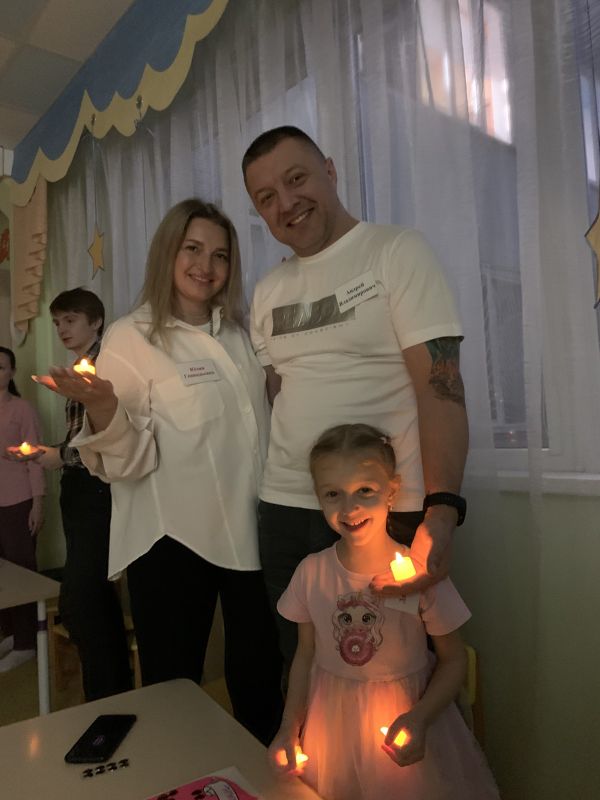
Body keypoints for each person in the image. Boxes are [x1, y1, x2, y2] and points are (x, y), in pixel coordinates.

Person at [39, 199, 283, 744]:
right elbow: (123, 462)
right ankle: (179, 774)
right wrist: (104, 408)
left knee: (260, 675)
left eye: (220, 254)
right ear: (168, 252)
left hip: (250, 527)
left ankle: (262, 773)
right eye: (192, 249)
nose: (206, 265)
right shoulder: (132, 337)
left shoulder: (238, 334)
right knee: (174, 688)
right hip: (172, 537)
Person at [243, 125, 469, 666]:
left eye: (296, 179)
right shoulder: (267, 290)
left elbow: (441, 389)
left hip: (384, 508)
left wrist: (442, 510)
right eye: (266, 197)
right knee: (302, 666)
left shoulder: (397, 251)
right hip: (286, 505)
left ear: (330, 170)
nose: (286, 203)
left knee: (397, 670)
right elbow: (279, 394)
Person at [269, 424, 499, 800]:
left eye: (365, 490)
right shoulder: (311, 573)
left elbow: (454, 659)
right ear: (318, 497)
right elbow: (305, 656)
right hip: (332, 732)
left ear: (391, 491)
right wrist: (288, 729)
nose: (350, 508)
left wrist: (420, 718)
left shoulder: (419, 575)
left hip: (409, 724)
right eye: (333, 494)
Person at [33, 288, 132, 701]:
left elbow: (111, 438)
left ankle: (109, 695)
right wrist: (52, 452)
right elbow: (82, 436)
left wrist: (61, 455)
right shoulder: (79, 367)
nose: (62, 329)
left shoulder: (107, 365)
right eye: (57, 322)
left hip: (97, 490)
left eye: (70, 320)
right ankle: (108, 690)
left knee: (86, 597)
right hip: (79, 487)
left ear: (96, 321)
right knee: (85, 598)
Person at [0, 346, 45, 672]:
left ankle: (27, 643)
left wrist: (38, 503)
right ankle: (12, 633)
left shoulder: (22, 409)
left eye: (1, 367)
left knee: (22, 570)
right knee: (3, 574)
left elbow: (36, 458)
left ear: (12, 372)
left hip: (18, 500)